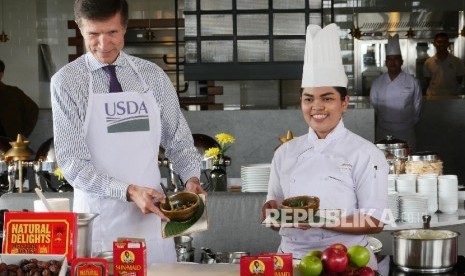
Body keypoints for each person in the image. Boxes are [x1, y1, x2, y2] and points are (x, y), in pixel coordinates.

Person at [50, 0, 204, 264]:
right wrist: (130, 191)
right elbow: (72, 164)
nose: (103, 44)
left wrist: (192, 178)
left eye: (112, 33)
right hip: (98, 225)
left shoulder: (152, 76)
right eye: (93, 34)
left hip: (152, 222)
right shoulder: (66, 82)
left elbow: (179, 140)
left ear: (125, 27)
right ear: (79, 28)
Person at [261, 24, 389, 270]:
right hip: (290, 261)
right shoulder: (285, 152)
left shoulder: (365, 153)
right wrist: (272, 214)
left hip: (347, 262)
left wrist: (318, 220)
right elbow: (274, 218)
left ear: (345, 103)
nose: (316, 107)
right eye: (308, 99)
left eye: (327, 98)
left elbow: (375, 221)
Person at [370, 34, 422, 151]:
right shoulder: (377, 83)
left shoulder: (412, 81)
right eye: (390, 59)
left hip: (406, 131)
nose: (393, 62)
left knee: (407, 162)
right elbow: (374, 106)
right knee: (383, 161)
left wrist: (407, 123)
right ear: (386, 62)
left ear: (402, 61)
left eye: (396, 59)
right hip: (384, 130)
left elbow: (417, 106)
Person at [0, 60, 39, 140]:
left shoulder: (13, 93)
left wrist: (24, 134)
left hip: (9, 142)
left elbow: (33, 109)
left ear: (1, 75)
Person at [423, 32, 465, 96]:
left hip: (453, 97)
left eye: (445, 42)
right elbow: (428, 81)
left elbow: (460, 80)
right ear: (434, 44)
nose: (442, 44)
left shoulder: (458, 62)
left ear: (448, 44)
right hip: (433, 97)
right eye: (439, 42)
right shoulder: (428, 62)